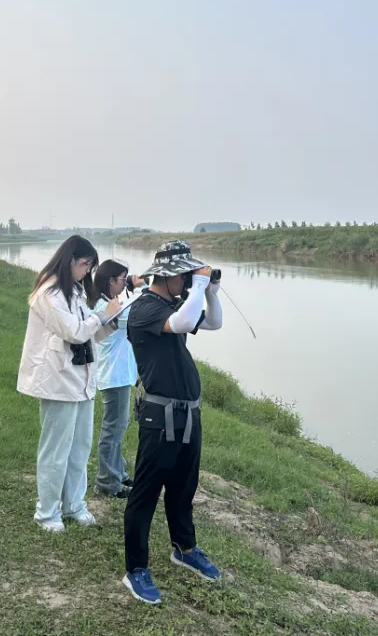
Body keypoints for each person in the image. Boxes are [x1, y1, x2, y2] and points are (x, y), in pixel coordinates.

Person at [121, 240, 224, 605]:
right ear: (167, 276)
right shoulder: (145, 308)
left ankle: (184, 548)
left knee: (184, 488)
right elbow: (181, 322)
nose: (186, 280)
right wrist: (197, 285)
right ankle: (136, 570)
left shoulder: (173, 302)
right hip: (159, 415)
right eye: (183, 274)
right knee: (145, 494)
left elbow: (213, 322)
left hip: (188, 412)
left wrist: (209, 290)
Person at [16, 235, 122, 533]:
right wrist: (102, 316)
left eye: (90, 266)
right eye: (85, 264)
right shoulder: (49, 294)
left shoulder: (74, 292)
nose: (87, 271)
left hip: (81, 380)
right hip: (58, 381)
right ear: (70, 260)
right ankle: (47, 512)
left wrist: (110, 321)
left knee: (79, 448)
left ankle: (74, 505)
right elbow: (75, 331)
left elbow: (89, 332)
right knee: (55, 450)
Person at [88, 260, 146, 499]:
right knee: (113, 429)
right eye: (123, 279)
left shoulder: (107, 303)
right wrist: (143, 288)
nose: (125, 283)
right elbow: (137, 316)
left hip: (118, 375)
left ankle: (118, 473)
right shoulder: (106, 307)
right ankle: (107, 482)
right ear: (111, 280)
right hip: (114, 376)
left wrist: (132, 288)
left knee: (118, 427)